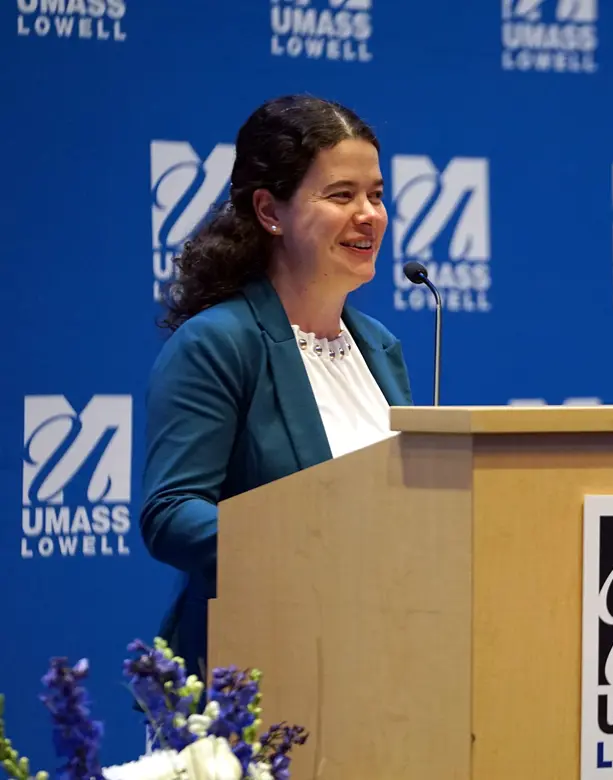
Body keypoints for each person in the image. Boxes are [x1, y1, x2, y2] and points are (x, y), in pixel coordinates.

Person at [139, 94, 413, 695]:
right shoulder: (218, 343)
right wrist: (312, 541)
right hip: (260, 675)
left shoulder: (381, 349)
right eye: (341, 195)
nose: (368, 214)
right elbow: (171, 514)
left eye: (376, 194)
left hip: (384, 668)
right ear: (270, 211)